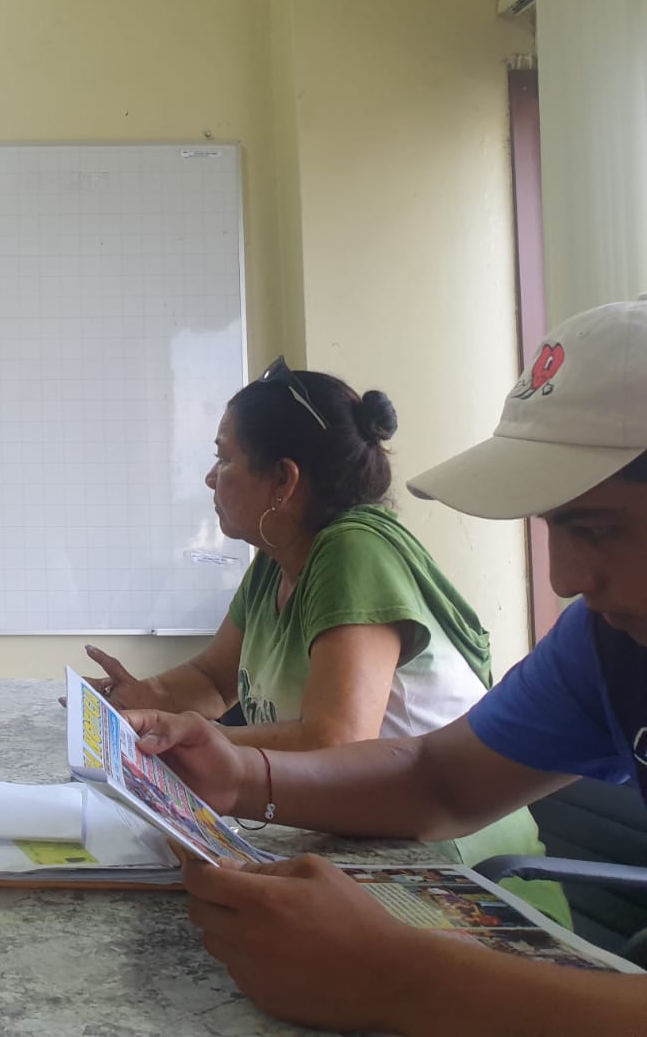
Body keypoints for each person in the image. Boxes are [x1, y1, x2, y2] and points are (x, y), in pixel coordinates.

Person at [127, 298, 647, 1034]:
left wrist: (404, 980)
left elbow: (347, 740)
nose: (564, 578)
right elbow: (438, 779)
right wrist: (238, 775)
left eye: (598, 529)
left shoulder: (353, 548)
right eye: (552, 526)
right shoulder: (605, 642)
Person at [87, 359, 493, 752]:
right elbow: (212, 680)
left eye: (224, 458)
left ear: (283, 479)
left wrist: (190, 734)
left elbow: (337, 743)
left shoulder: (354, 553)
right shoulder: (278, 558)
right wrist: (141, 698)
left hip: (443, 802)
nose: (210, 478)